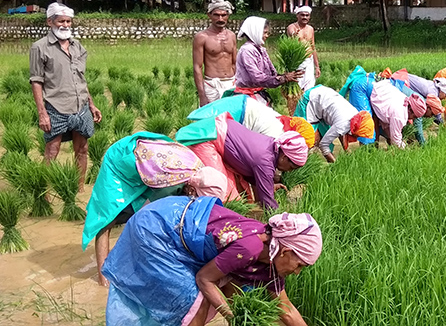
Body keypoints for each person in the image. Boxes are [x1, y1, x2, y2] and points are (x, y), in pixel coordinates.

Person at [102, 196, 322, 326]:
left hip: (179, 222)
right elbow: (205, 279)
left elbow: (286, 309)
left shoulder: (271, 261)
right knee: (193, 301)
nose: (297, 272)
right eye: (300, 264)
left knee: (220, 288)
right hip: (157, 228)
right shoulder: (250, 247)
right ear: (284, 250)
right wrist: (235, 318)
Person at [81, 132, 229, 286]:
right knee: (107, 218)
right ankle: (103, 278)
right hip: (122, 162)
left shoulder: (198, 175)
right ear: (192, 190)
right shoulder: (171, 181)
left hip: (149, 167)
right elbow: (148, 217)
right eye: (199, 199)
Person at [29, 2, 102, 189]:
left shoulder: (77, 46)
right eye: (61, 21)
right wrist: (42, 113)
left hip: (80, 106)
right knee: (52, 150)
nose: (66, 25)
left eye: (69, 21)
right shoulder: (40, 47)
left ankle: (78, 190)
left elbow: (81, 79)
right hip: (56, 106)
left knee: (83, 149)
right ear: (50, 22)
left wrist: (91, 104)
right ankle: (44, 193)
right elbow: (36, 81)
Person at [176, 115, 308, 209]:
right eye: (291, 167)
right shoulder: (265, 161)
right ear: (284, 157)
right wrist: (280, 213)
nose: (289, 171)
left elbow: (253, 175)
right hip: (208, 139)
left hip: (219, 130)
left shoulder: (271, 145)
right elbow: (267, 203)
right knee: (224, 195)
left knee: (241, 194)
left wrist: (267, 187)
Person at [187, 95, 315, 148]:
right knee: (202, 139)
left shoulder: (282, 123)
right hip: (237, 112)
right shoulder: (276, 134)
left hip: (240, 102)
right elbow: (255, 157)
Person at [294, 85, 374, 162]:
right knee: (307, 139)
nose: (358, 137)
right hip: (312, 99)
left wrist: (346, 150)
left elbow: (341, 133)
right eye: (359, 135)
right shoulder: (343, 124)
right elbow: (324, 145)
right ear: (357, 130)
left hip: (324, 97)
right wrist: (336, 164)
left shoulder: (356, 117)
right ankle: (298, 163)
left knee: (325, 135)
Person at [235, 16, 303, 104]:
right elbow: (257, 78)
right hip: (247, 96)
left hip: (259, 93)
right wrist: (284, 78)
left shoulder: (261, 49)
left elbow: (272, 73)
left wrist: (285, 76)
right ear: (255, 33)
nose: (267, 36)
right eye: (264, 33)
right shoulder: (247, 50)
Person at [193, 0, 237, 106]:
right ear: (209, 15)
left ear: (228, 16)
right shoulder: (202, 37)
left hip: (231, 83)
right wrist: (202, 95)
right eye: (216, 15)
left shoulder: (231, 36)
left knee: (231, 119)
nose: (220, 19)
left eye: (223, 15)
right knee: (211, 120)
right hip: (212, 84)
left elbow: (235, 63)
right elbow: (197, 67)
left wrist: (238, 84)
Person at [369, 80, 430, 149]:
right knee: (367, 127)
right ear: (411, 110)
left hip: (376, 88)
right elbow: (395, 139)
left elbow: (388, 125)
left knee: (376, 123)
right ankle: (369, 150)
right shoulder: (400, 115)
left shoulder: (404, 100)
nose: (412, 119)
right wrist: (404, 149)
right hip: (368, 89)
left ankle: (373, 148)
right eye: (414, 116)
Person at [286, 6, 320, 92]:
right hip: (297, 61)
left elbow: (313, 47)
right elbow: (292, 35)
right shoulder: (292, 27)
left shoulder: (310, 29)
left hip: (309, 60)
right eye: (302, 15)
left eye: (307, 15)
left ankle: (307, 104)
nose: (305, 17)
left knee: (309, 87)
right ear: (297, 16)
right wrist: (295, 34)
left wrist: (317, 66)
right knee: (298, 86)